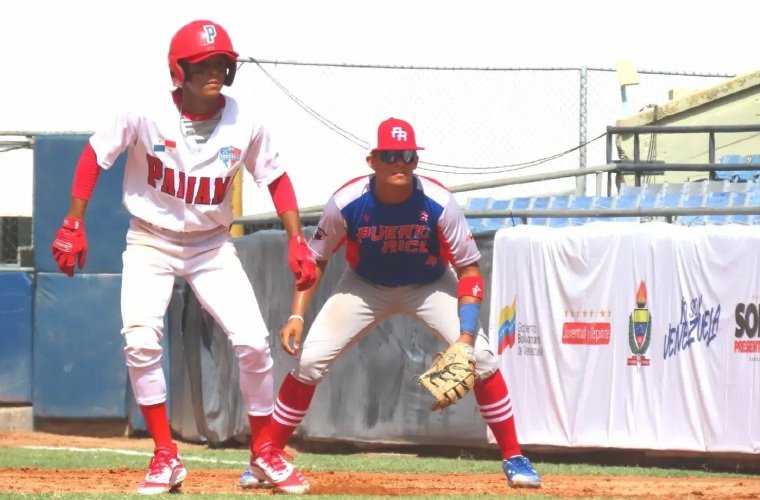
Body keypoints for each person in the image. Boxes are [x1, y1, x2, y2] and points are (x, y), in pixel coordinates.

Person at [50, 19, 316, 495]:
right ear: (179, 69)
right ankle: (164, 456)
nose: (214, 71)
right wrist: (73, 221)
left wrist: (296, 238)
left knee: (254, 343)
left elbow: (276, 178)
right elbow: (94, 155)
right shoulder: (143, 111)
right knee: (140, 341)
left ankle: (264, 454)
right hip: (150, 240)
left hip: (212, 245)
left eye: (221, 63)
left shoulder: (247, 121)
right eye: (203, 64)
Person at [239, 117, 542, 494]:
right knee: (309, 362)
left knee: (480, 358)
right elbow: (314, 261)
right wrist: (297, 313)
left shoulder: (437, 202)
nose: (400, 163)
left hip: (430, 284)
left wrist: (464, 336)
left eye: (408, 156)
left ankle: (514, 456)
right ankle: (266, 456)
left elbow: (468, 269)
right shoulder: (348, 202)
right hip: (365, 286)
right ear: (373, 160)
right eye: (391, 155)